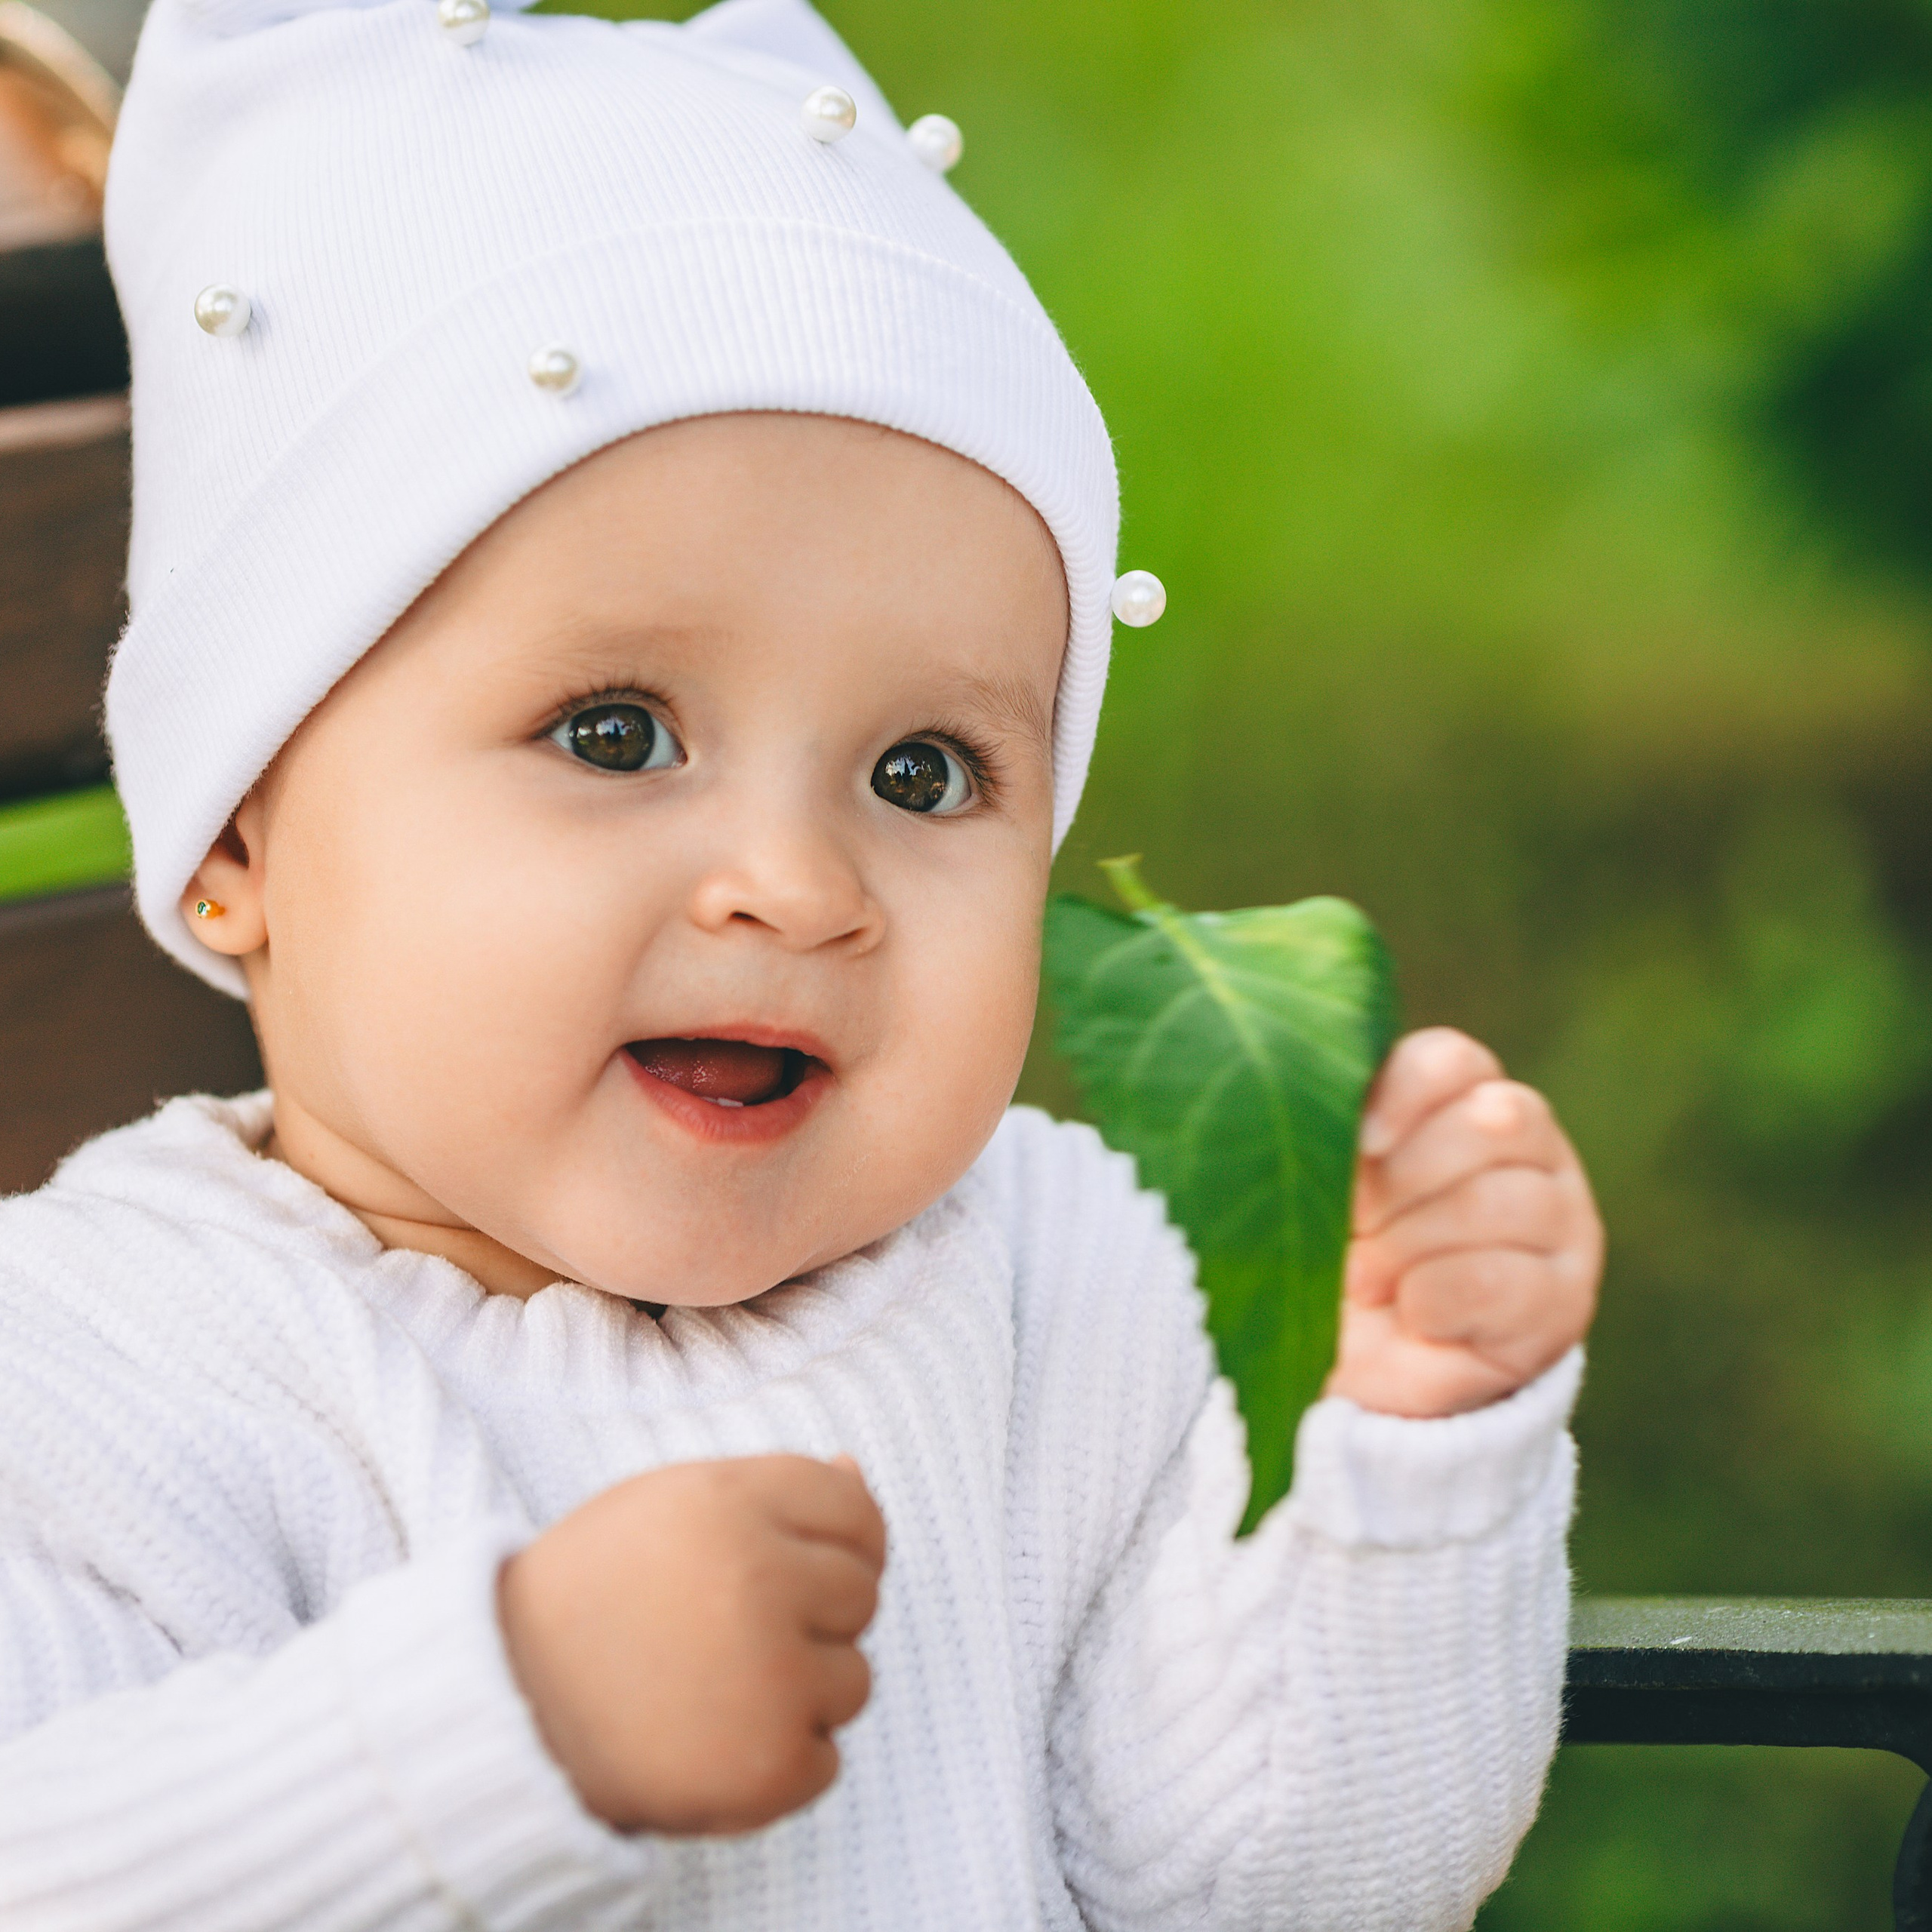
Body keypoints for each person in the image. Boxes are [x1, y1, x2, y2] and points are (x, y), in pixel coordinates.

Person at [0, 0, 1602, 1924]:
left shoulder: (1060, 1285)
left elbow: (1276, 1884)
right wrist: (494, 1734)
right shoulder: (96, 1369)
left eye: (923, 772)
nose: (796, 882)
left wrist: (1405, 1444)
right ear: (243, 831)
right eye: (613, 734)